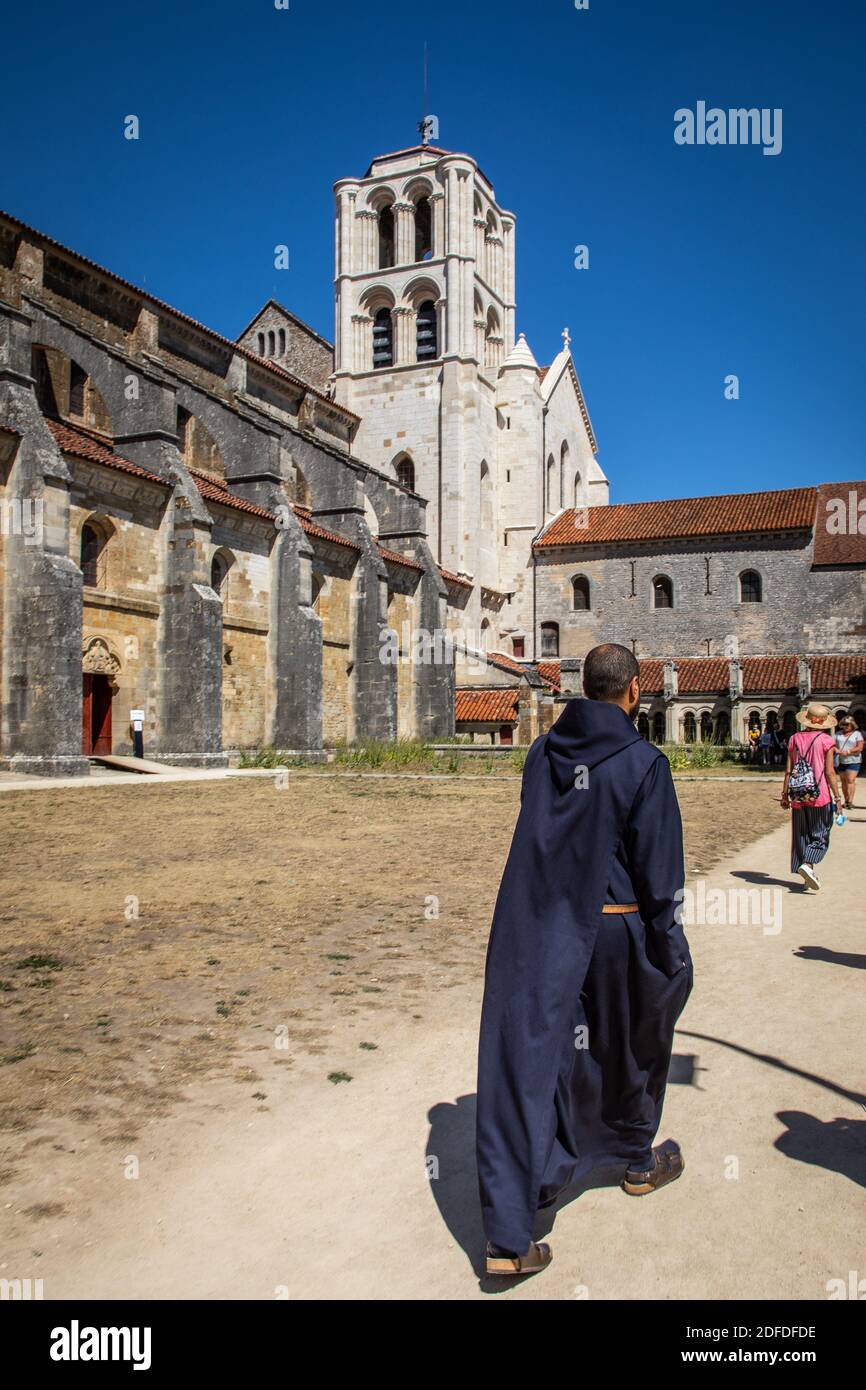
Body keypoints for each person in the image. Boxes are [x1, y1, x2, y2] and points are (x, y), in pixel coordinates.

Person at [476, 643, 693, 1276]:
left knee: (540, 1057)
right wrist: (671, 948)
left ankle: (525, 1210)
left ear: (584, 690)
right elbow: (660, 870)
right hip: (615, 931)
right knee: (631, 1045)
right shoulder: (644, 761)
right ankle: (634, 1158)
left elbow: (543, 832)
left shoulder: (544, 751)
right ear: (632, 693)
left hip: (544, 929)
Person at [781, 704, 843, 891]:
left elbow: (788, 770)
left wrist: (785, 795)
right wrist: (838, 798)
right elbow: (830, 772)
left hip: (798, 795)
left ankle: (808, 870)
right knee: (820, 834)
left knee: (801, 834)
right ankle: (808, 864)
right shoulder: (826, 741)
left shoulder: (794, 739)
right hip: (820, 795)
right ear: (824, 723)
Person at [834, 715, 864, 809]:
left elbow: (860, 747)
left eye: (847, 724)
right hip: (841, 761)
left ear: (852, 725)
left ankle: (850, 801)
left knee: (850, 780)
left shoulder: (857, 734)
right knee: (843, 781)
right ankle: (846, 800)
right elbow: (832, 745)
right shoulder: (838, 734)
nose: (845, 726)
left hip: (854, 760)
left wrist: (848, 751)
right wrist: (837, 750)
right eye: (843, 724)